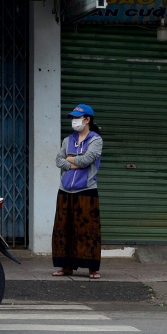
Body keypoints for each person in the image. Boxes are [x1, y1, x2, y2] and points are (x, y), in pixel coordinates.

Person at [53, 104, 104, 279]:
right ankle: (65, 267)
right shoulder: (67, 140)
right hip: (65, 190)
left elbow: (88, 160)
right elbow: (59, 160)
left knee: (87, 230)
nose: (74, 121)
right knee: (63, 229)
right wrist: (73, 163)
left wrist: (71, 160)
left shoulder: (95, 140)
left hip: (86, 191)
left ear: (87, 119)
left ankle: (92, 268)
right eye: (73, 118)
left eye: (77, 118)